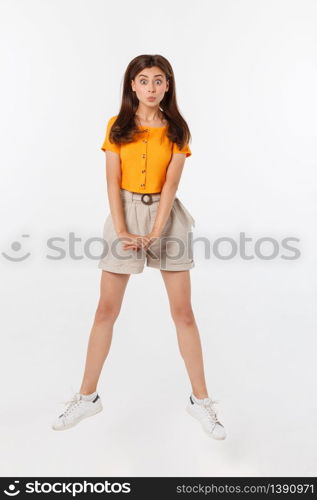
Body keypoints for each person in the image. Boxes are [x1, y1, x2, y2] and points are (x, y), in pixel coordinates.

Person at [52, 54, 227, 440]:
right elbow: (111, 182)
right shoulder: (117, 126)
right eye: (143, 80)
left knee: (183, 312)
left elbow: (171, 186)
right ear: (132, 85)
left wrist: (156, 230)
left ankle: (201, 402)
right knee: (105, 310)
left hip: (168, 219)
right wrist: (122, 228)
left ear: (168, 85)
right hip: (124, 214)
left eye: (158, 80)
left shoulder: (177, 129)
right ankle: (87, 396)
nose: (151, 87)